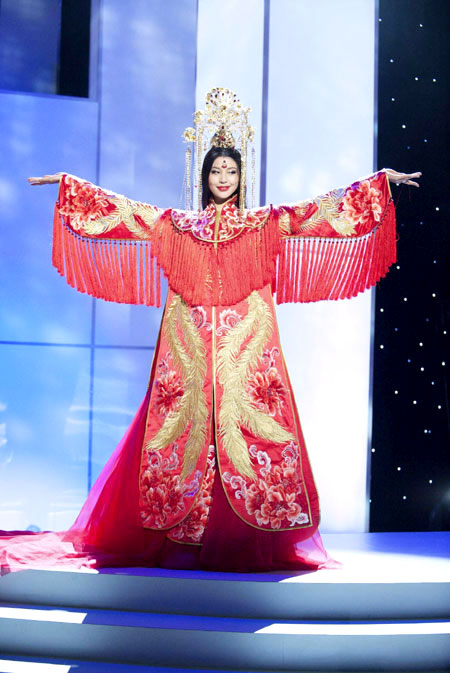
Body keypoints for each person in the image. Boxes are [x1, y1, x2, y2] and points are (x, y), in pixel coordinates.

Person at [1, 88, 420, 574]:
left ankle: (247, 535)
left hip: (247, 346)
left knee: (252, 430)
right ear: (205, 177)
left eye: (231, 171)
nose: (224, 178)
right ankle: (185, 535)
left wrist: (376, 185)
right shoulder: (178, 225)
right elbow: (125, 213)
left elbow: (317, 213)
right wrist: (72, 188)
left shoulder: (264, 223)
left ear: (242, 178)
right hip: (189, 344)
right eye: (216, 171)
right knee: (181, 429)